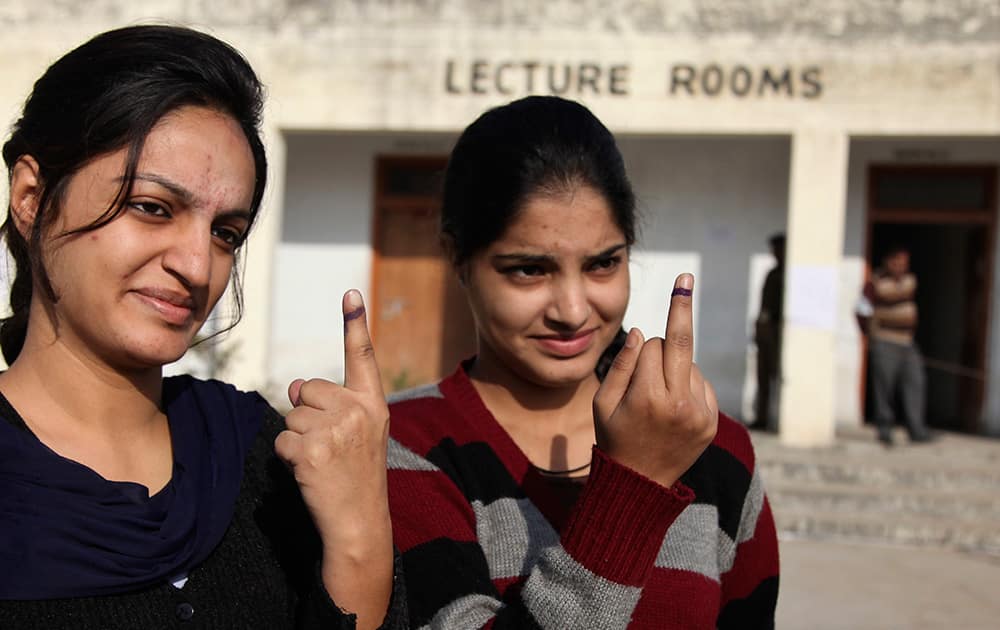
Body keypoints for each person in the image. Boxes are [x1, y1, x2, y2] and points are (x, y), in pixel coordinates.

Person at [0, 26, 405, 629]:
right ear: (32, 198)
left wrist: (359, 531)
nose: (196, 266)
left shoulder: (258, 455)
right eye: (152, 208)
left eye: (226, 233)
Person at [386, 96, 779, 629]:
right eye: (528, 270)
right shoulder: (403, 451)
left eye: (603, 264)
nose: (573, 311)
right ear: (457, 255)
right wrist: (633, 490)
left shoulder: (714, 451)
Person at [856, 245, 931, 446]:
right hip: (884, 341)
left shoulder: (910, 281)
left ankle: (916, 429)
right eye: (896, 262)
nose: (900, 267)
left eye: (904, 263)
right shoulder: (874, 284)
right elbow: (862, 311)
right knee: (885, 387)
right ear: (888, 262)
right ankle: (885, 428)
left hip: (907, 341)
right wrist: (871, 335)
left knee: (916, 382)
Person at [751, 233, 785, 431]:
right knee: (763, 377)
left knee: (777, 377)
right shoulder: (773, 273)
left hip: (778, 333)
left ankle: (776, 418)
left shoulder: (788, 274)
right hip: (766, 332)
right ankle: (762, 417)